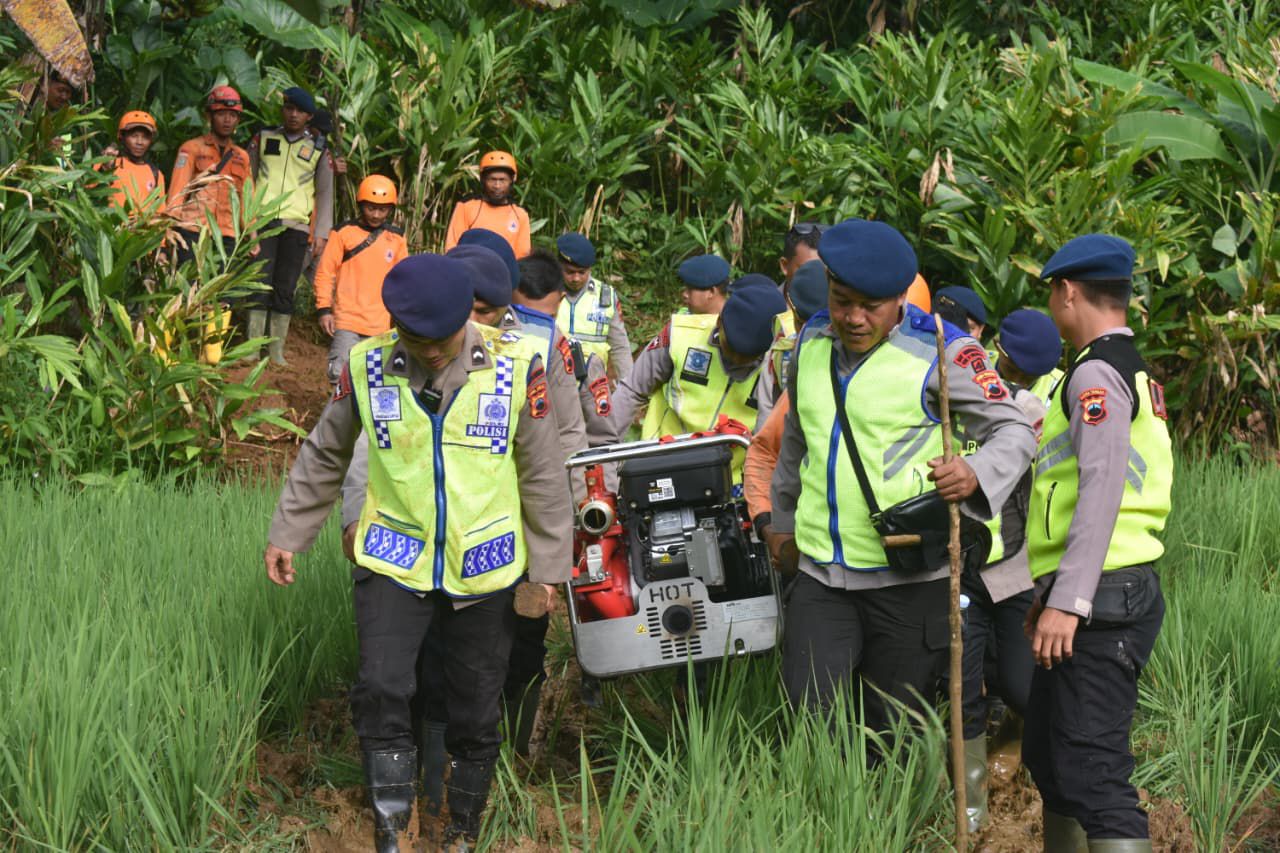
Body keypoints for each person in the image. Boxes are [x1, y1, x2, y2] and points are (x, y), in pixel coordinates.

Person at [264, 253, 572, 851]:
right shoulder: (366, 365)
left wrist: (549, 571)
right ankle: (393, 827)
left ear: (466, 319)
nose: (430, 352)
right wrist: (288, 532)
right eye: (415, 338)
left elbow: (541, 472)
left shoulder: (517, 366)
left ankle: (458, 829)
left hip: (485, 565)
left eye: (442, 339)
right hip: (394, 556)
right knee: (381, 689)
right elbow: (327, 451)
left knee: (476, 708)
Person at [767, 218, 1036, 741]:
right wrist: (781, 521)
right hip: (821, 574)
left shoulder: (943, 351)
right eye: (842, 301)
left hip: (907, 578)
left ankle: (890, 796)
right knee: (809, 722)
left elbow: (1014, 430)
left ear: (900, 299)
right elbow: (797, 440)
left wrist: (975, 473)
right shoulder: (810, 343)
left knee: (893, 732)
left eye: (871, 306)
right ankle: (824, 795)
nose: (854, 318)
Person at [1022, 234, 1172, 853]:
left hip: (1102, 597)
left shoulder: (1095, 374)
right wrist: (1051, 593)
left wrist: (1069, 599)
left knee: (1093, 773)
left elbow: (1101, 487)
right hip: (1093, 588)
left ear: (1067, 292)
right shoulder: (1125, 367)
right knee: (1049, 757)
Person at [948, 307, 1064, 832]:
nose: (1016, 380)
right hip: (959, 566)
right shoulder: (958, 392)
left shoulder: (1044, 408)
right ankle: (971, 808)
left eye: (1026, 376)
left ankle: (1024, 751)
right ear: (995, 352)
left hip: (1016, 566)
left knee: (1020, 685)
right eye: (1011, 368)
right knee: (962, 686)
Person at [611, 276, 786, 493]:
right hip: (662, 463)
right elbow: (632, 390)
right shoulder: (681, 335)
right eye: (731, 349)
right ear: (719, 322)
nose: (737, 361)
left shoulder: (778, 363)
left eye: (748, 357)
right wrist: (604, 452)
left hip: (733, 481)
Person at [248, 86, 335, 365]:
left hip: (296, 225)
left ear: (309, 116)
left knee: (285, 287)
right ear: (283, 110)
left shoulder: (318, 149)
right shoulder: (263, 138)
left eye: (300, 111)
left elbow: (325, 193)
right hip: (263, 222)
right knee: (258, 283)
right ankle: (251, 349)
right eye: (289, 108)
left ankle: (276, 353)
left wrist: (321, 233)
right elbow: (248, 179)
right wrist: (248, 221)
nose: (293, 115)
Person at [314, 175, 408, 384]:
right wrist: (324, 309)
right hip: (347, 320)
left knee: (373, 383)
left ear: (390, 209)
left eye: (382, 209)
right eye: (371, 208)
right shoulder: (342, 233)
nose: (376, 214)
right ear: (361, 205)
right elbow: (325, 273)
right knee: (340, 378)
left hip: (381, 326)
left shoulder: (397, 239)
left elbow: (404, 281)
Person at [169, 86, 253, 263]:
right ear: (209, 116)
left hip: (227, 235)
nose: (227, 120)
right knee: (189, 279)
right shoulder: (191, 149)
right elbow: (177, 192)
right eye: (221, 114)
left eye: (233, 115)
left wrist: (252, 234)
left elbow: (247, 199)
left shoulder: (242, 157)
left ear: (238, 119)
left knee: (223, 281)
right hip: (194, 230)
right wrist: (169, 229)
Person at [555, 232, 634, 380]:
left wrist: (628, 386)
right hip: (555, 381)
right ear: (559, 267)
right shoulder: (546, 293)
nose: (576, 278)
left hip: (593, 382)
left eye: (582, 272)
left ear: (590, 269)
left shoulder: (605, 296)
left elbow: (620, 346)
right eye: (570, 272)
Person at [444, 150, 531, 257]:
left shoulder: (520, 215)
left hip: (505, 267)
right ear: (483, 180)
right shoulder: (466, 207)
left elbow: (522, 256)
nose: (497, 186)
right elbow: (452, 248)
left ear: (511, 181)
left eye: (502, 180)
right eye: (492, 179)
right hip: (470, 264)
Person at [995, 308, 1066, 407]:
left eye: (1028, 379)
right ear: (997, 345)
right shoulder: (975, 362)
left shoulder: (1062, 389)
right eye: (1011, 371)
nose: (1016, 383)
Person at [103, 111, 165, 214]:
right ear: (122, 137)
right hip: (113, 224)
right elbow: (87, 191)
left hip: (144, 224)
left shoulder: (156, 173)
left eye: (145, 137)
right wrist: (103, 167)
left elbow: (160, 212)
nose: (139, 142)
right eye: (134, 136)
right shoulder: (110, 163)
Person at [778, 222, 824, 286]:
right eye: (807, 271)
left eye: (824, 273)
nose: (816, 279)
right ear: (785, 266)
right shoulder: (768, 292)